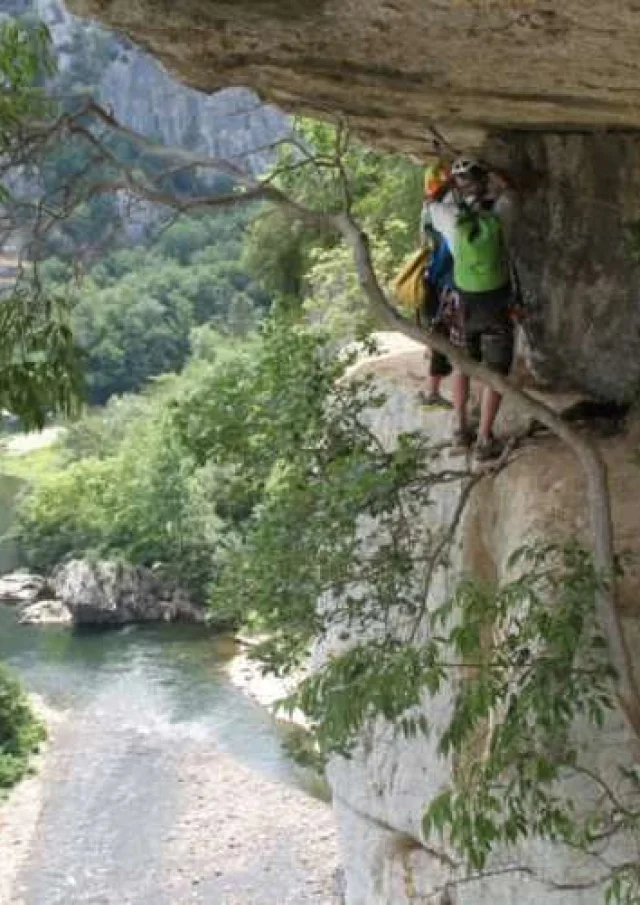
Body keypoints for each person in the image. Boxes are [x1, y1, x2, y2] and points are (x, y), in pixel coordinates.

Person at [426, 157, 516, 462]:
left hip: (461, 303)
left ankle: (460, 430)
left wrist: (451, 182)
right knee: (496, 372)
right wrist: (492, 173)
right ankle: (485, 439)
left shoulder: (448, 216)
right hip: (496, 304)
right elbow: (511, 189)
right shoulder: (501, 213)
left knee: (462, 365)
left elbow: (431, 201)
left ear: (460, 186)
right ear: (484, 182)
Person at [417, 162, 454, 410]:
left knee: (437, 332)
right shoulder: (442, 213)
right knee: (443, 335)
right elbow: (446, 253)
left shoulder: (427, 210)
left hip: (431, 279)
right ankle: (433, 390)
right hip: (442, 284)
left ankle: (433, 388)